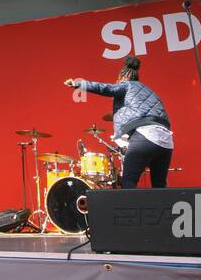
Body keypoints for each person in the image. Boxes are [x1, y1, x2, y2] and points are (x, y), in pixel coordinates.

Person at [64, 56, 172, 189]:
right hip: (166, 140)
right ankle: (163, 210)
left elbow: (104, 88)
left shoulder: (126, 85)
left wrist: (79, 84)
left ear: (123, 78)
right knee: (159, 185)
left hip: (145, 135)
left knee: (128, 182)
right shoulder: (149, 91)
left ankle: (131, 210)